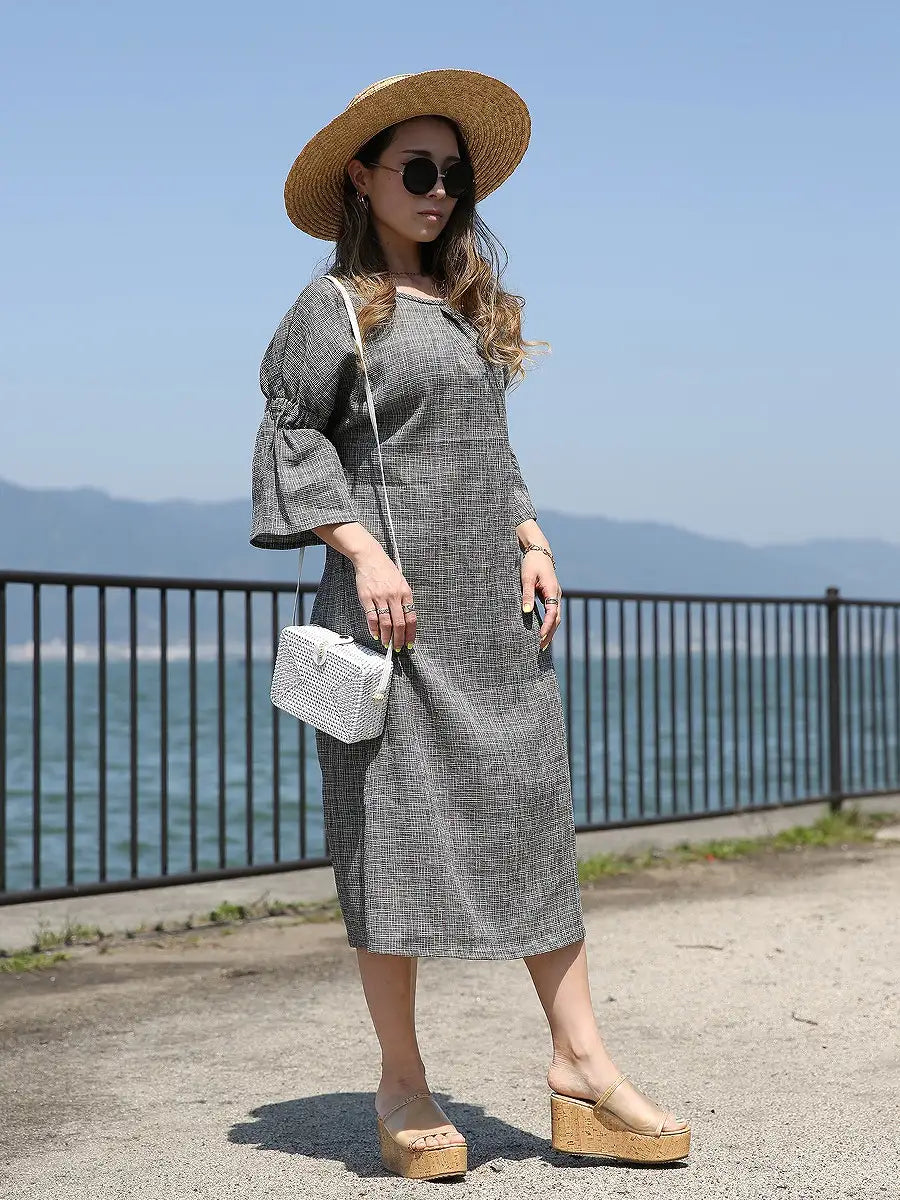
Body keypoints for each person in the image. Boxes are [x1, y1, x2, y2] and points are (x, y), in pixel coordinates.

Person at [250, 68, 691, 1180]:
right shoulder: (333, 309)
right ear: (364, 179)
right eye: (417, 169)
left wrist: (531, 535)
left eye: (453, 173)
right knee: (388, 841)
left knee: (535, 819)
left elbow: (486, 449)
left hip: (492, 619)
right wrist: (361, 551)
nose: (439, 189)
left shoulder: (468, 304)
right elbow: (291, 437)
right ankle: (401, 1083)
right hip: (389, 622)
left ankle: (580, 1063)